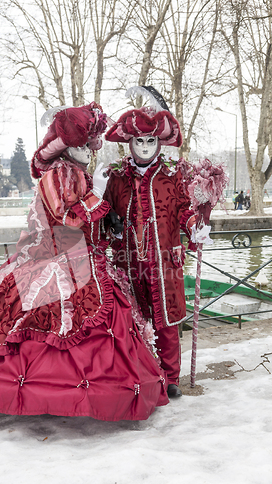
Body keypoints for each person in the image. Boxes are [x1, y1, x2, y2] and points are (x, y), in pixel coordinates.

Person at [0, 102, 168, 421]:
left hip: (82, 260)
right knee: (42, 323)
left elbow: (84, 224)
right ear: (66, 148)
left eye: (89, 145)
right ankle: (52, 394)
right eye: (81, 145)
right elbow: (65, 216)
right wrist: (100, 205)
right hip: (53, 260)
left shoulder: (75, 174)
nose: (87, 151)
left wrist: (106, 214)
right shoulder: (57, 174)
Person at [103, 86, 205, 399]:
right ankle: (143, 372)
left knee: (167, 319)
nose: (145, 147)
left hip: (164, 262)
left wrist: (196, 229)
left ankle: (170, 376)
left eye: (151, 141)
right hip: (128, 261)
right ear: (129, 143)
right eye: (139, 141)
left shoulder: (175, 175)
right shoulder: (117, 177)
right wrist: (112, 225)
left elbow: (187, 210)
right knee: (133, 318)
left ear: (158, 142)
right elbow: (105, 213)